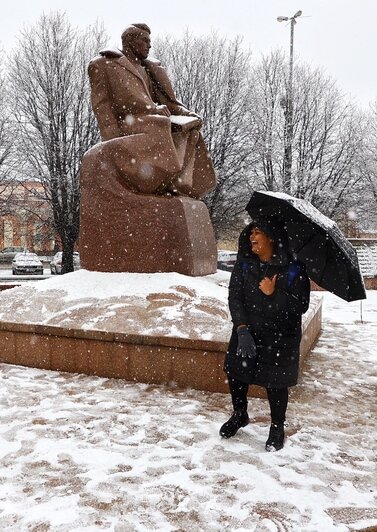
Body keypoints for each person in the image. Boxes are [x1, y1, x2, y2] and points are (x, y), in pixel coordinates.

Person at [87, 23, 216, 199]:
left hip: (154, 122)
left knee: (190, 132)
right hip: (129, 125)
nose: (149, 45)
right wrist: (111, 142)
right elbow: (102, 106)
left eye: (150, 41)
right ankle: (158, 179)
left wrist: (187, 115)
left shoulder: (150, 68)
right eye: (145, 40)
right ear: (131, 41)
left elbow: (169, 104)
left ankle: (175, 185)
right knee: (160, 123)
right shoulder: (104, 64)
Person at [220, 219, 310, 452]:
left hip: (281, 336)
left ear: (271, 237)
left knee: (276, 383)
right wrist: (241, 328)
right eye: (251, 231)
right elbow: (235, 296)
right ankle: (240, 414)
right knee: (237, 373)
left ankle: (277, 426)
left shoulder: (293, 268)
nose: (252, 236)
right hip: (248, 331)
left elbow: (300, 305)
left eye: (258, 231)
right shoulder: (244, 264)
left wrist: (273, 293)